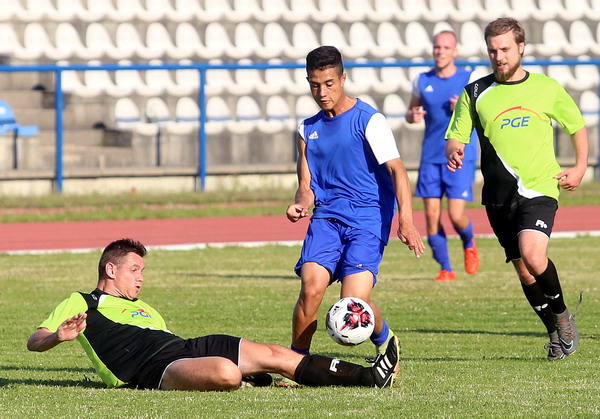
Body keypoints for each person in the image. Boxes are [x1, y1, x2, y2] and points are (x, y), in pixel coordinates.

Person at [27, 238, 400, 390]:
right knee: (226, 372)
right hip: (150, 370)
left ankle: (367, 377)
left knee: (276, 354)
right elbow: (34, 340)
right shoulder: (84, 302)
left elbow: (172, 343)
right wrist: (57, 336)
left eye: (143, 271)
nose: (141, 278)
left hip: (187, 348)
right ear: (111, 270)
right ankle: (245, 376)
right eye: (135, 270)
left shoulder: (146, 309)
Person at [445, 18, 588, 361]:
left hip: (539, 187)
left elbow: (577, 126)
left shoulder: (546, 88)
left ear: (521, 47)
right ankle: (554, 334)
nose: (499, 56)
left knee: (534, 256)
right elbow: (455, 136)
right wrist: (454, 150)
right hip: (498, 197)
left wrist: (580, 166)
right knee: (524, 270)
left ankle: (563, 316)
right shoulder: (474, 93)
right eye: (493, 50)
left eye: (505, 49)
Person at [285, 45, 425, 366]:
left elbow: (398, 171)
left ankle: (385, 340)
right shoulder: (307, 129)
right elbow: (306, 185)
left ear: (343, 79)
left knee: (353, 305)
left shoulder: (369, 120)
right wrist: (300, 204)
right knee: (310, 290)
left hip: (367, 221)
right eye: (315, 85)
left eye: (329, 83)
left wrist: (406, 221)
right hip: (326, 220)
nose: (322, 92)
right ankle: (296, 363)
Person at [406, 30, 480, 282]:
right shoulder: (422, 80)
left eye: (446, 48)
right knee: (431, 216)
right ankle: (446, 268)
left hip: (460, 155)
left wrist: (464, 107)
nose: (441, 52)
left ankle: (468, 241)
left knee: (456, 215)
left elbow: (482, 114)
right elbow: (411, 111)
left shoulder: (470, 78)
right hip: (431, 156)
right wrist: (412, 116)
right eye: (437, 47)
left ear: (455, 51)